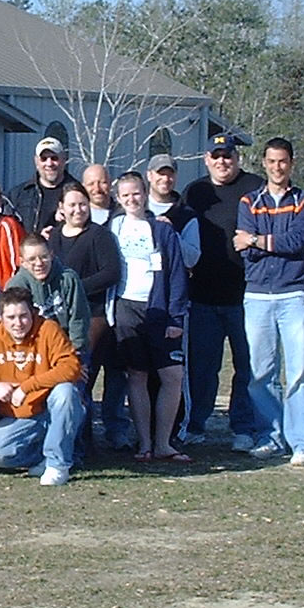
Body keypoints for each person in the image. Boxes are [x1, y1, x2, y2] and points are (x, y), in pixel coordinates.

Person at [235, 138, 304, 467]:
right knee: (261, 372)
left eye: (283, 161)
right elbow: (244, 248)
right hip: (257, 295)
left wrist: (257, 240)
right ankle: (269, 437)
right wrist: (265, 244)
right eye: (271, 161)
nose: (277, 167)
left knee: (300, 370)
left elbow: (299, 240)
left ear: (292, 163)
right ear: (264, 163)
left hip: (293, 294)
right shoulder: (249, 201)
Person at [182, 132, 265, 451]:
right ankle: (195, 424)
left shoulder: (254, 187)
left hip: (247, 296)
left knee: (248, 366)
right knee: (202, 368)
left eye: (227, 155)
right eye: (215, 156)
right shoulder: (196, 191)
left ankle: (243, 427)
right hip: (203, 296)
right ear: (206, 159)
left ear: (237, 157)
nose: (222, 161)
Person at [108, 171, 190, 462]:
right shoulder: (113, 228)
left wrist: (176, 318)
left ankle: (164, 442)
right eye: (126, 195)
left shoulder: (162, 230)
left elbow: (177, 274)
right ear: (118, 198)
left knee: (172, 375)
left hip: (159, 309)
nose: (132, 199)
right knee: (137, 375)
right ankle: (144, 443)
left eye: (136, 193)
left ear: (145, 194)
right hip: (126, 307)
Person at [0, 287, 84, 485]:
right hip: (19, 416)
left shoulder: (48, 330)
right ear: (1, 317)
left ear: (33, 313)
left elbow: (71, 367)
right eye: (11, 317)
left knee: (66, 391)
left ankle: (58, 465)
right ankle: (46, 457)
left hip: (51, 409)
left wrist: (27, 387)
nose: (18, 323)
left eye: (23, 316)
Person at [48, 180, 122, 442]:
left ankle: (83, 442)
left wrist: (75, 288)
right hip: (59, 316)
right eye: (72, 205)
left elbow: (111, 273)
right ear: (61, 207)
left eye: (82, 204)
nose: (78, 210)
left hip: (93, 315)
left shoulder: (99, 235)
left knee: (81, 375)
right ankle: (67, 436)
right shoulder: (54, 236)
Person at [146, 153, 202, 441]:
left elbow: (193, 257)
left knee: (174, 371)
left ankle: (176, 430)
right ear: (149, 176)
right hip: (138, 303)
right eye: (160, 173)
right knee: (139, 373)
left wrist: (170, 233)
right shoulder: (134, 208)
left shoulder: (185, 215)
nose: (165, 179)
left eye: (169, 174)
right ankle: (143, 433)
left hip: (172, 303)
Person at [6, 233, 90, 357]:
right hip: (32, 348)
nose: (39, 263)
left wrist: (75, 350)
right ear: (22, 262)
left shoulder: (68, 279)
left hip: (67, 344)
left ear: (51, 255)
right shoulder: (16, 285)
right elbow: (14, 324)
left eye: (44, 257)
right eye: (32, 259)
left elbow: (79, 317)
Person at [10, 136, 69, 236]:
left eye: (54, 158)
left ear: (63, 159)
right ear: (36, 161)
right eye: (44, 159)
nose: (49, 163)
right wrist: (38, 238)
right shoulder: (18, 195)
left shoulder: (77, 193)